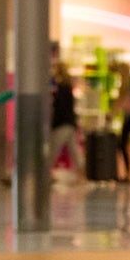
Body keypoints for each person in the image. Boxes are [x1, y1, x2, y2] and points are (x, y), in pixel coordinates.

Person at [49, 47, 82, 180]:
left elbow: (60, 108)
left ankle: (47, 175)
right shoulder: (67, 88)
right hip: (69, 123)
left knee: (52, 150)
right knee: (74, 150)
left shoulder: (61, 89)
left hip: (62, 123)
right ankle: (82, 175)